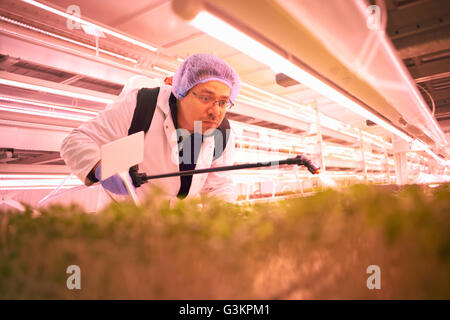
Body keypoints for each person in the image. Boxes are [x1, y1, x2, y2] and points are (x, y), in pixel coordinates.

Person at [60, 53, 241, 203]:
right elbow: (75, 141)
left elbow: (218, 186)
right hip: (121, 228)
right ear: (182, 92)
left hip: (172, 234)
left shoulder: (221, 132)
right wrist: (100, 166)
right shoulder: (141, 106)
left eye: (223, 102)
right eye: (205, 98)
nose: (215, 111)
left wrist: (228, 219)